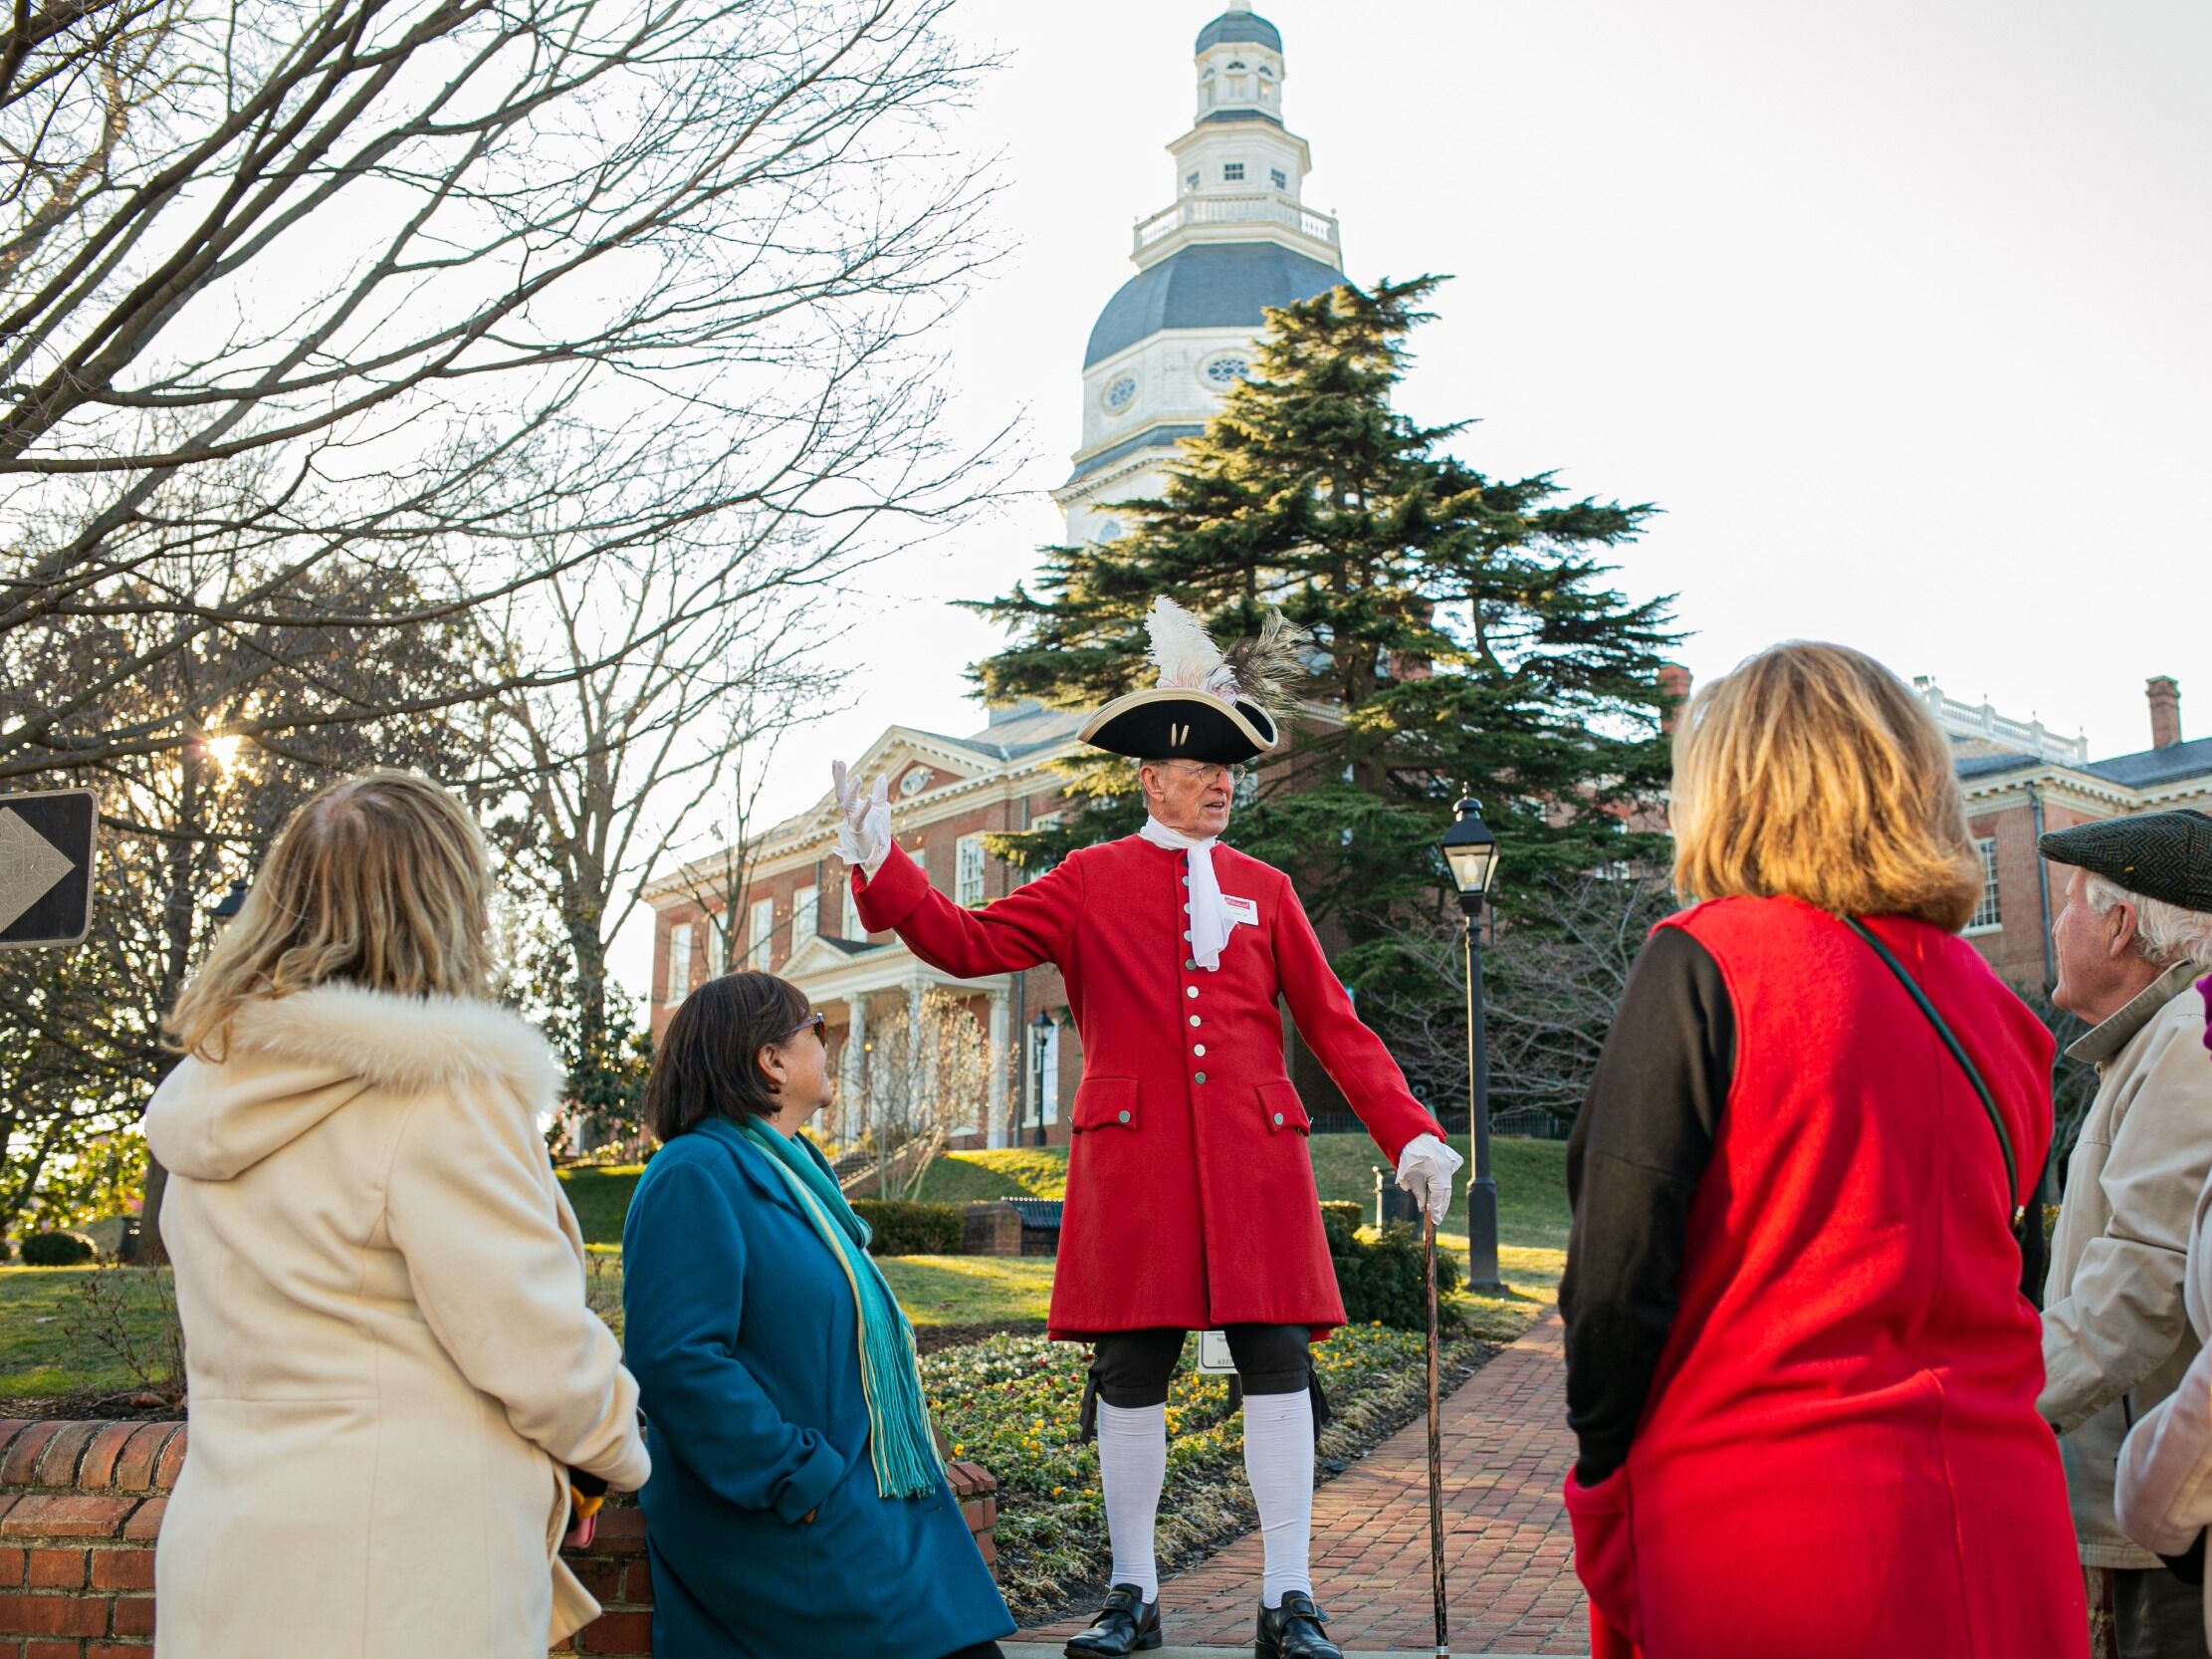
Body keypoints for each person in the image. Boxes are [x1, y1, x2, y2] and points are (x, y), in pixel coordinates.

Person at [834, 597, 1462, 1659]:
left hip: (1256, 1166)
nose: (1221, 782)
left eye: (1230, 766)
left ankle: (1288, 1599)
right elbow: (961, 941)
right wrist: (881, 862)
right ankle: (1133, 1591)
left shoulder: (1267, 888)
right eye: (1199, 765)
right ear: (1148, 777)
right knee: (1130, 1375)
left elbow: (1334, 1024)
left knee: (1274, 1364)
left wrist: (1408, 1133)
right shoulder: (1088, 880)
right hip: (1135, 1170)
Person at [1558, 641, 2087, 1659]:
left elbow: (1615, 1275)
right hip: (2000, 1515)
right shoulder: (2002, 1012)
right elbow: (2012, 1266)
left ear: (1733, 789)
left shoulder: (1707, 957)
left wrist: (1600, 1472)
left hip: (1771, 1520)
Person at [145, 771, 649, 1659]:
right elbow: (531, 1342)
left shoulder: (210, 1090)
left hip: (228, 1563)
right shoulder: (439, 1091)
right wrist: (610, 1453)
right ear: (447, 906)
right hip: (405, 1575)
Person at [620, 969, 1014, 1659]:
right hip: (791, 1522)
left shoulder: (798, 1174)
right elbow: (675, 1360)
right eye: (817, 1030)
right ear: (770, 1060)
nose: (828, 1047)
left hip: (865, 1506)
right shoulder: (695, 1174)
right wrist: (796, 1477)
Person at [2037, 810, 2212, 1657]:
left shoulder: (2187, 1044)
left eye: (2069, 903)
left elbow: (2142, 1279)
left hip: (2155, 1525)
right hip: (2138, 1502)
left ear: (2120, 924)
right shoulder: (2156, 1042)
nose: (2057, 924)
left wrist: (2002, 1411)